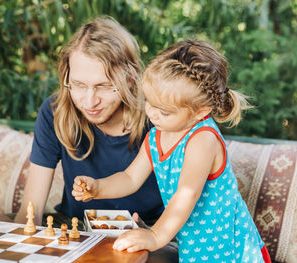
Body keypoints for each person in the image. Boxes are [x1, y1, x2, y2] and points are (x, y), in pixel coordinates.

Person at [72, 40, 272, 262]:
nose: (152, 114)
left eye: (164, 111)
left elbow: (187, 194)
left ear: (200, 111)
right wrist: (98, 188)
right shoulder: (156, 136)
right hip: (196, 250)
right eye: (149, 102)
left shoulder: (202, 139)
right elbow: (130, 178)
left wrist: (155, 235)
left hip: (232, 252)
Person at [14, 16, 178, 262]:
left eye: (103, 86)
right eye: (79, 85)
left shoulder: (159, 119)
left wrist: (153, 235)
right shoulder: (54, 112)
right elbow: (31, 209)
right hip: (75, 229)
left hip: (150, 234)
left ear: (130, 78)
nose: (89, 102)